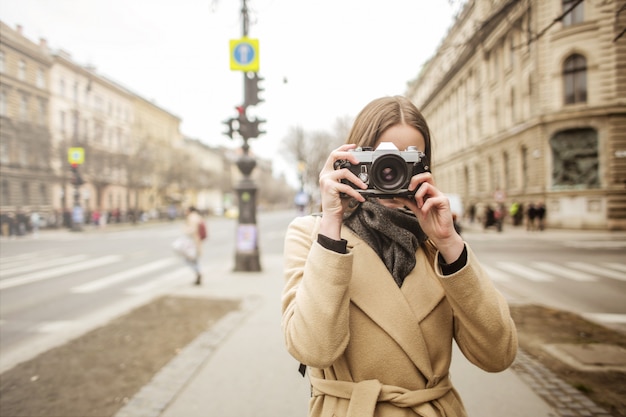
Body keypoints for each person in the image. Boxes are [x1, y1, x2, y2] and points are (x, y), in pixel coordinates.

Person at [281, 96, 517, 417]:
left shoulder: (439, 242)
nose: (390, 174)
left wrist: (449, 244)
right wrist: (331, 222)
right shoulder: (313, 235)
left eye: (406, 160)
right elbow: (313, 349)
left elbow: (498, 355)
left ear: (425, 166)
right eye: (381, 159)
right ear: (353, 160)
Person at [184, 206, 204, 285]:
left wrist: (185, 229)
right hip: (196, 241)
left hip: (193, 242)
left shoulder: (192, 217)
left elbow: (192, 230)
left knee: (189, 259)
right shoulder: (198, 217)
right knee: (194, 259)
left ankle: (198, 273)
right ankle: (198, 273)